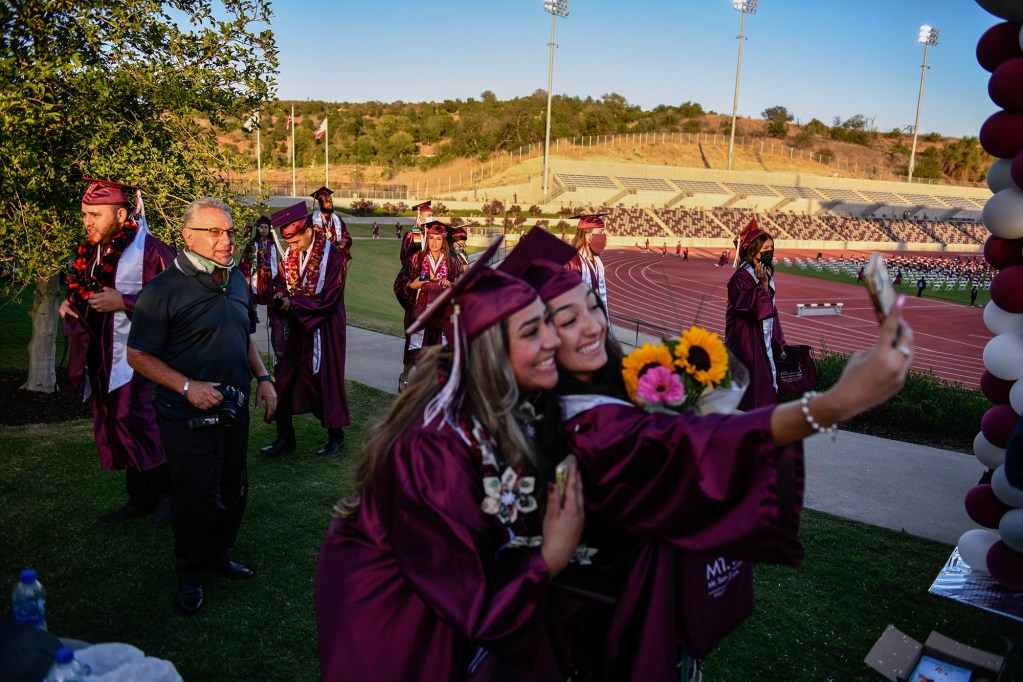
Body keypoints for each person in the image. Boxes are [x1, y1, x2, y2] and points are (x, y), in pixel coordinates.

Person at [530, 260, 915, 679]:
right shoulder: (589, 432)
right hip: (624, 625)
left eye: (592, 306)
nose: (593, 326)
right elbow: (691, 450)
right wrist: (835, 403)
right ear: (540, 338)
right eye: (568, 320)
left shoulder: (592, 396)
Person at [315, 238, 586, 680]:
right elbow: (473, 603)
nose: (555, 340)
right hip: (395, 631)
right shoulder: (431, 449)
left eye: (549, 324)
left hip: (436, 601)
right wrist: (550, 558)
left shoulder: (493, 409)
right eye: (533, 331)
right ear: (490, 352)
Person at [126, 197, 277, 616]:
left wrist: (264, 379)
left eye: (229, 231)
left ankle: (219, 553)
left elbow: (243, 335)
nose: (226, 239)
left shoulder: (237, 280)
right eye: (215, 232)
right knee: (192, 494)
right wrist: (187, 386)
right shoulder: (163, 290)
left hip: (235, 404)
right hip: (186, 414)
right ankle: (191, 573)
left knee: (233, 485)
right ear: (188, 236)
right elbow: (138, 355)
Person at [60, 177, 176, 526]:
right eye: (84, 214)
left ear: (123, 214)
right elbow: (94, 302)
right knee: (121, 422)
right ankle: (140, 498)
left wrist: (125, 301)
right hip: (107, 359)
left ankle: (169, 496)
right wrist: (74, 305)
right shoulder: (95, 253)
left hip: (147, 359)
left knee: (146, 423)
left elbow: (175, 303)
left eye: (96, 214)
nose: (88, 222)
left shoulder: (153, 251)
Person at [260, 203, 351, 457]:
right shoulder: (289, 254)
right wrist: (280, 293)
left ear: (309, 231)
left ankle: (336, 436)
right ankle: (285, 437)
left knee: (324, 380)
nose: (293, 246)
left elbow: (331, 297)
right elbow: (281, 280)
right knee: (285, 379)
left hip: (324, 329)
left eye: (297, 240)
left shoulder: (333, 256)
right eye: (289, 242)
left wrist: (295, 303)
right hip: (295, 329)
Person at [725, 219, 786, 412]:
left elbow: (771, 310)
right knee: (756, 389)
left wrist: (778, 338)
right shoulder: (740, 278)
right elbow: (754, 311)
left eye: (771, 247)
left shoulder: (764, 273)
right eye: (765, 247)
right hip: (748, 342)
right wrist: (763, 285)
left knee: (767, 384)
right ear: (753, 249)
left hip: (764, 338)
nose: (770, 250)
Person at [400, 222, 462, 373]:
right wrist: (410, 286)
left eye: (438, 239)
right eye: (431, 238)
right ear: (427, 239)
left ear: (444, 241)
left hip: (441, 310)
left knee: (439, 347)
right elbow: (400, 280)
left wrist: (451, 284)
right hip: (420, 309)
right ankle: (405, 376)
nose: (434, 242)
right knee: (415, 345)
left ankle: (433, 382)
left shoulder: (452, 262)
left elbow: (460, 286)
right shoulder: (417, 258)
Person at [394, 201, 433, 392]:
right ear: (419, 216)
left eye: (431, 215)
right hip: (417, 293)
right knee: (414, 340)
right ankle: (405, 376)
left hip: (434, 296)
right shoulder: (413, 234)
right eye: (427, 215)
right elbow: (405, 260)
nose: (430, 218)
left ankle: (425, 381)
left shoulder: (436, 235)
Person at [237, 216, 278, 330]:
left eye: (266, 227)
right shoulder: (252, 243)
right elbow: (246, 260)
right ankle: (253, 315)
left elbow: (274, 260)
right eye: (261, 227)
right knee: (254, 296)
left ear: (269, 229)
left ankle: (271, 318)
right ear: (258, 229)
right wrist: (247, 275)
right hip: (256, 273)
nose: (264, 229)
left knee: (271, 296)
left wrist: (275, 274)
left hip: (269, 273)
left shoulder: (272, 244)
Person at [564, 213, 609, 312]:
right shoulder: (571, 263)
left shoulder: (596, 261)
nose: (604, 236)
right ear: (588, 237)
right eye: (600, 232)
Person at [310, 186, 353, 256]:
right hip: (317, 257)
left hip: (335, 257)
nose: (330, 203)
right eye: (327, 201)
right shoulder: (311, 219)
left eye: (331, 201)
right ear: (320, 204)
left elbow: (347, 237)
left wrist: (343, 243)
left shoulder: (338, 219)